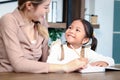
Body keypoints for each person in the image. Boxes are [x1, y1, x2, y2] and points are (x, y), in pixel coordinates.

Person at [0, 0, 87, 73]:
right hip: (9, 76)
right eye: (45, 7)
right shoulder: (8, 20)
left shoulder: (41, 21)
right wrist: (65, 67)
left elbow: (45, 61)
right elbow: (18, 64)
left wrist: (76, 64)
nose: (48, 11)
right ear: (29, 5)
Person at [47, 19, 115, 67]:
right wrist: (73, 64)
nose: (71, 31)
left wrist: (104, 62)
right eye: (70, 27)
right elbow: (50, 63)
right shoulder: (57, 48)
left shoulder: (86, 52)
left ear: (85, 40)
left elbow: (111, 60)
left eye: (77, 30)